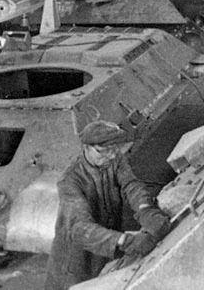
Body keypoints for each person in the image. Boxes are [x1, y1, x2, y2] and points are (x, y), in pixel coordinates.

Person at [44, 120, 171, 290]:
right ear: (86, 147)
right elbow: (80, 228)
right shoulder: (70, 180)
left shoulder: (114, 159)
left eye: (114, 149)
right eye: (103, 151)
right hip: (75, 262)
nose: (111, 155)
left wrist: (145, 210)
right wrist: (125, 241)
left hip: (107, 248)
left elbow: (131, 185)